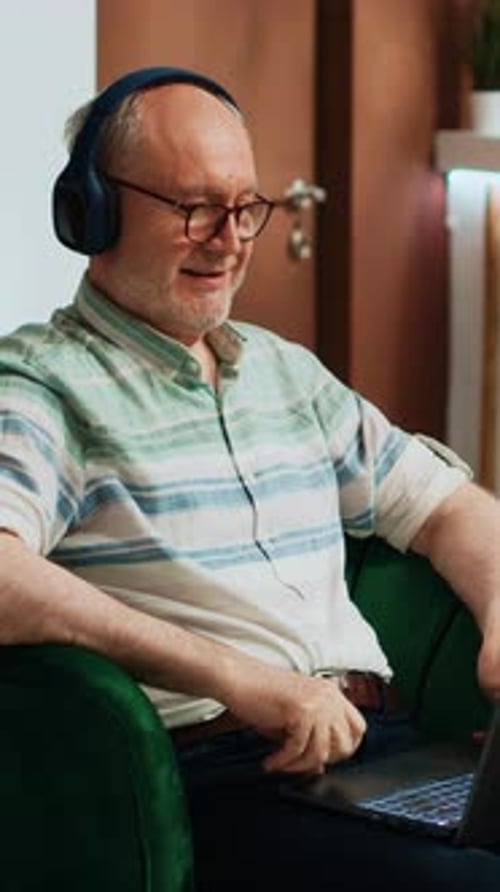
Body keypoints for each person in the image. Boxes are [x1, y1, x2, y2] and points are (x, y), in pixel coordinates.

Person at [0, 66, 499, 890]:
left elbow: (441, 504)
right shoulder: (43, 387)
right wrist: (241, 678)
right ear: (92, 209)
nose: (229, 238)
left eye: (246, 208)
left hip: (383, 752)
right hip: (228, 780)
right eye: (195, 206)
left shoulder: (285, 371)